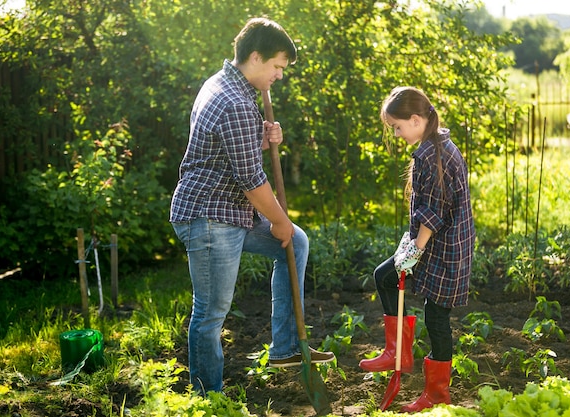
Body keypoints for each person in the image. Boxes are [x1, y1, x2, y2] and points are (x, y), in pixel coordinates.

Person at [169, 17, 334, 395]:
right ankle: (208, 396)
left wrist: (262, 137)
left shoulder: (224, 85)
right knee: (210, 314)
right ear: (256, 57)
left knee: (298, 242)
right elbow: (252, 183)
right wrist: (279, 221)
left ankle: (286, 348)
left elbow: (228, 150)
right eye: (277, 67)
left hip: (225, 211)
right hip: (209, 217)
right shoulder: (235, 103)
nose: (279, 76)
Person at [359, 86, 475, 412]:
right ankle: (398, 352)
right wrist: (410, 246)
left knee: (436, 317)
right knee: (384, 276)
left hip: (446, 250)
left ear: (414, 119)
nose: (396, 133)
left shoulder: (434, 154)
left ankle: (437, 394)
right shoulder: (433, 145)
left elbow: (435, 212)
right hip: (435, 245)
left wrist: (414, 252)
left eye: (397, 126)